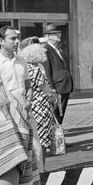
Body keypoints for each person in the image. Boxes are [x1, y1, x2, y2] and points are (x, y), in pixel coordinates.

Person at [18, 38, 56, 168]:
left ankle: (37, 168)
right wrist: (54, 97)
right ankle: (42, 168)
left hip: (32, 106)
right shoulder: (35, 70)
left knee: (35, 139)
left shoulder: (24, 67)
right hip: (41, 108)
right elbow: (45, 89)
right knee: (43, 140)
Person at [0, 26, 28, 109]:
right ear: (1, 41)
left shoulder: (21, 60)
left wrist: (28, 102)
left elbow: (27, 84)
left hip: (26, 110)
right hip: (6, 113)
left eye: (17, 38)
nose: (17, 41)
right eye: (13, 39)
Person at [41, 24, 73, 125]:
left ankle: (58, 137)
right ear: (48, 36)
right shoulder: (46, 50)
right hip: (57, 87)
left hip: (64, 86)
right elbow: (47, 71)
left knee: (61, 113)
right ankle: (56, 138)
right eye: (56, 33)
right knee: (56, 114)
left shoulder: (58, 49)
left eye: (59, 33)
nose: (59, 35)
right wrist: (52, 88)